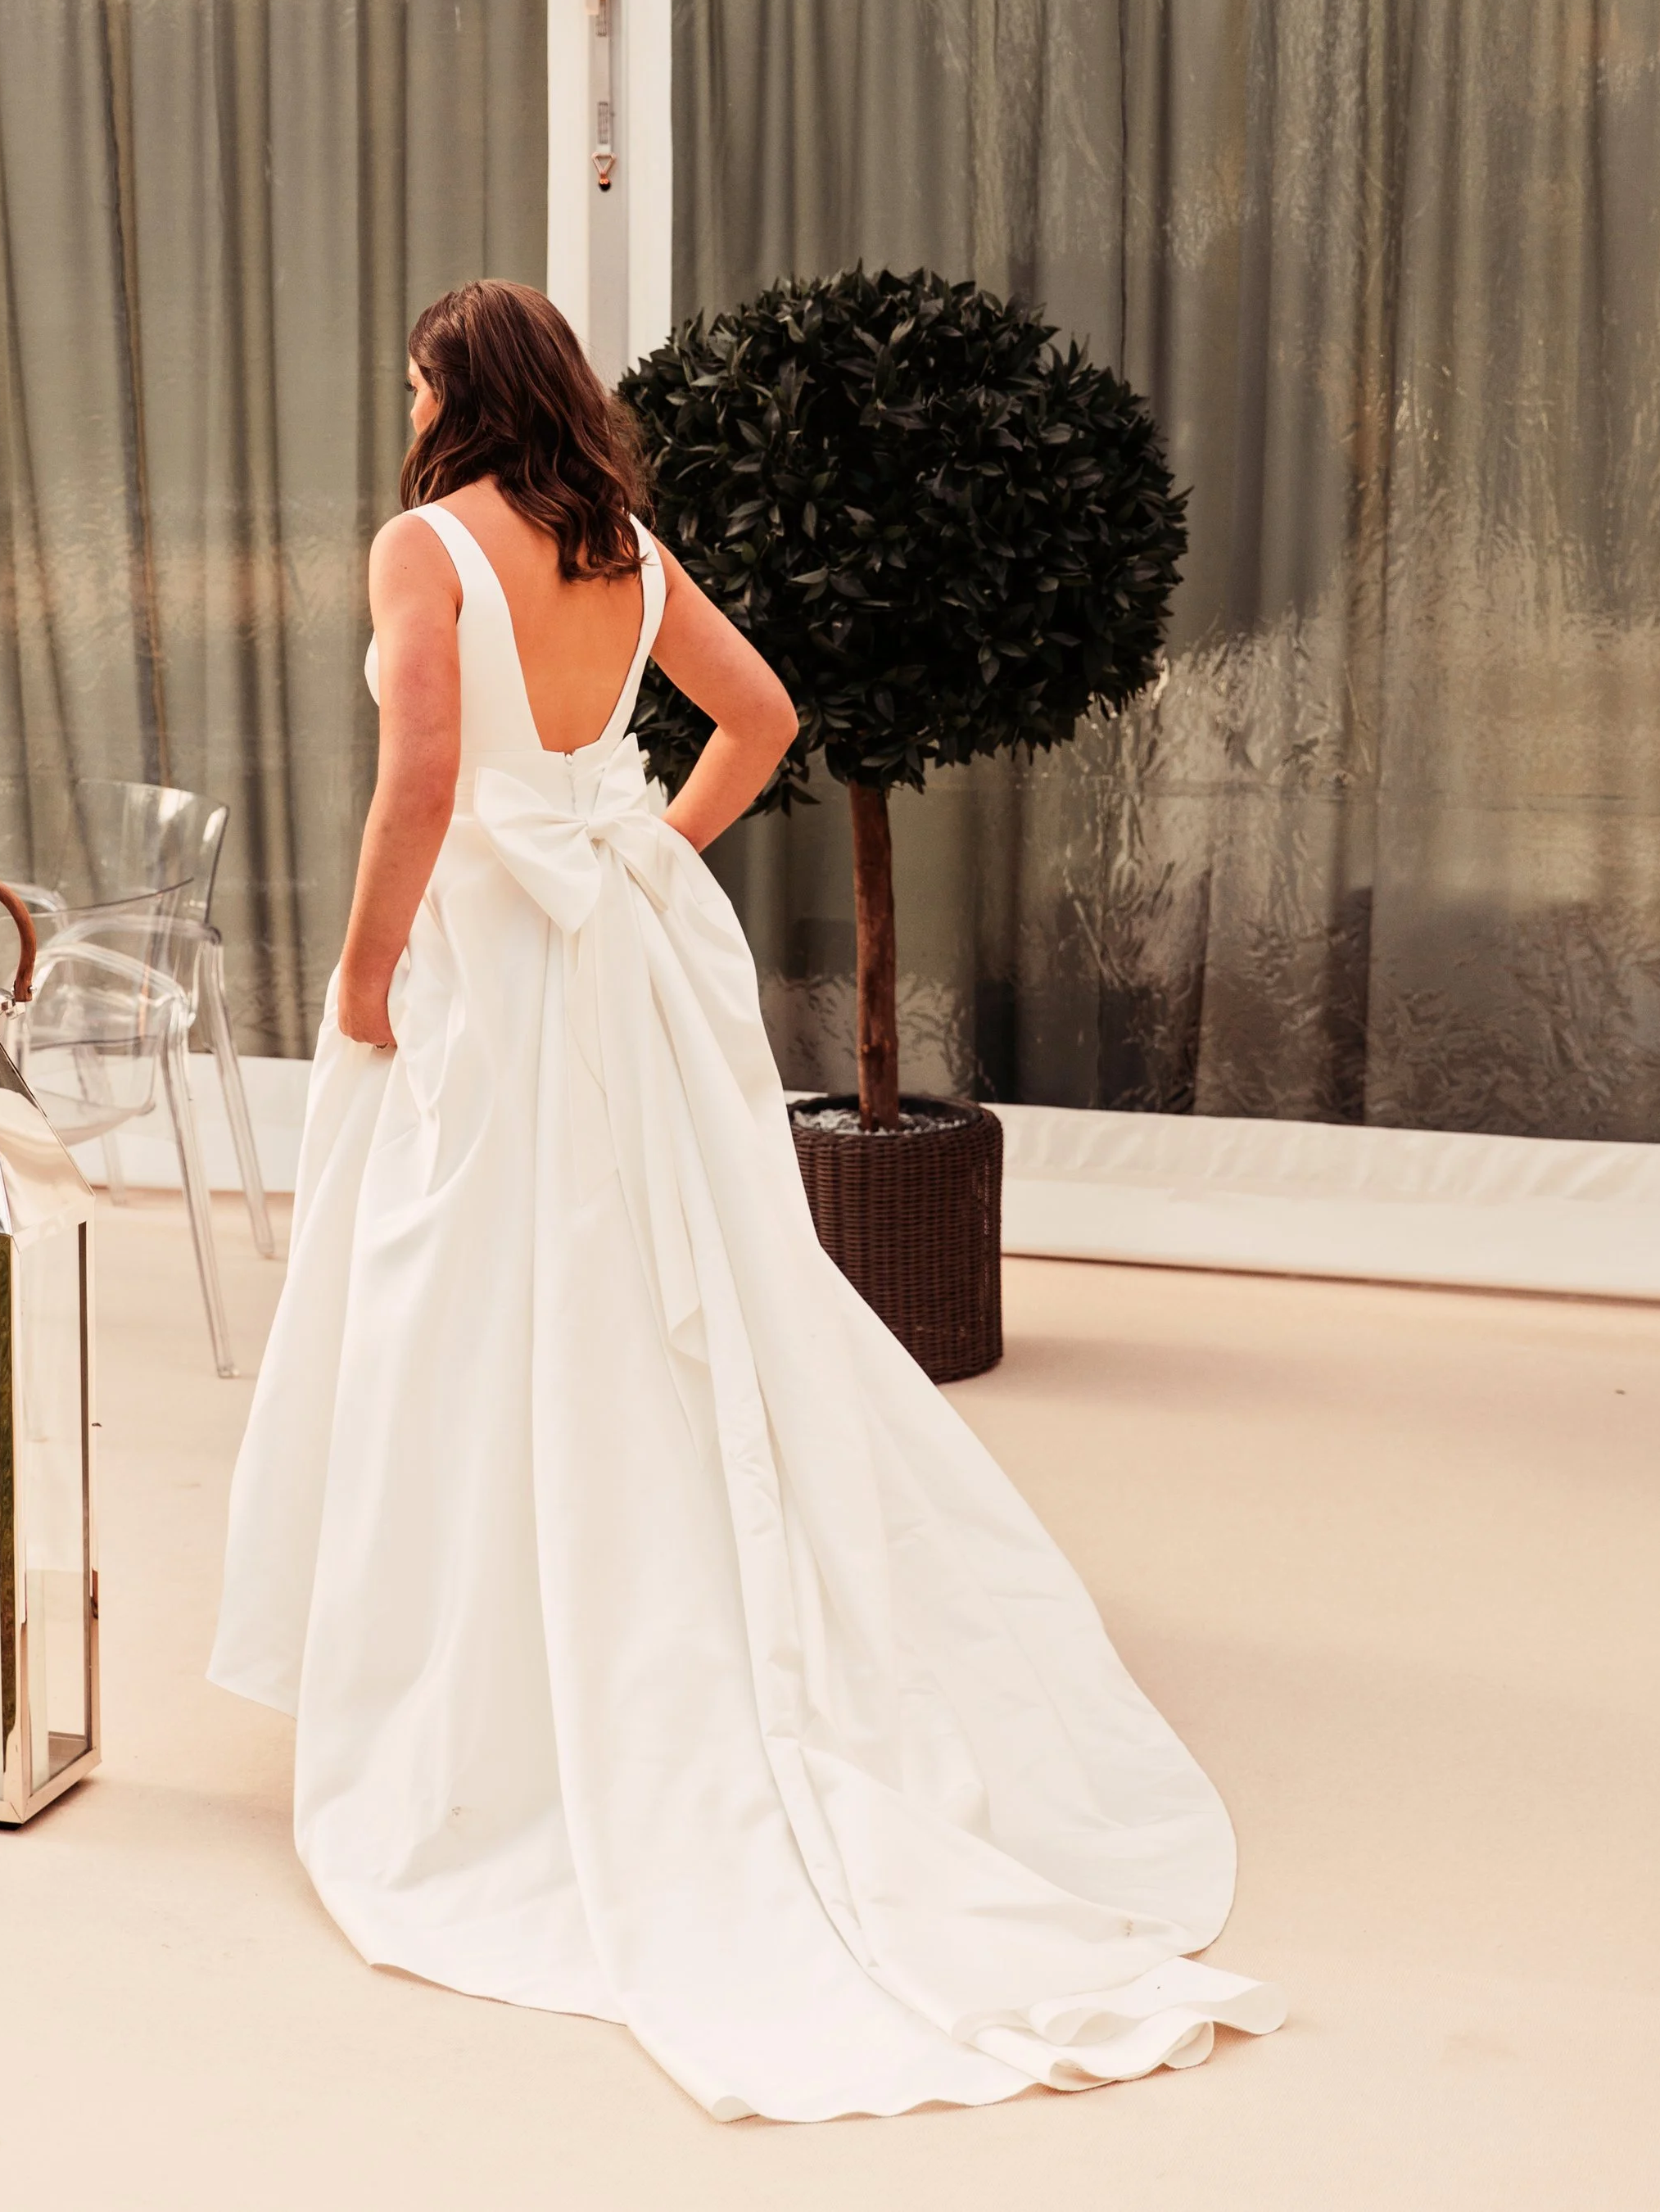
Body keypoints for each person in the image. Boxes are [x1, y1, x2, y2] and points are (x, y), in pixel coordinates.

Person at [210, 278, 1280, 2124]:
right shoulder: (620, 540)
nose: (400, 401)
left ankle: (480, 1689)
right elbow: (761, 717)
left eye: (409, 377)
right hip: (615, 961)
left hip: (484, 977)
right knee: (653, 1282)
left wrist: (367, 977)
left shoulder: (422, 545)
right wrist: (636, 846)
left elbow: (418, 784)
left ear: (449, 390)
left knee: (460, 1299)